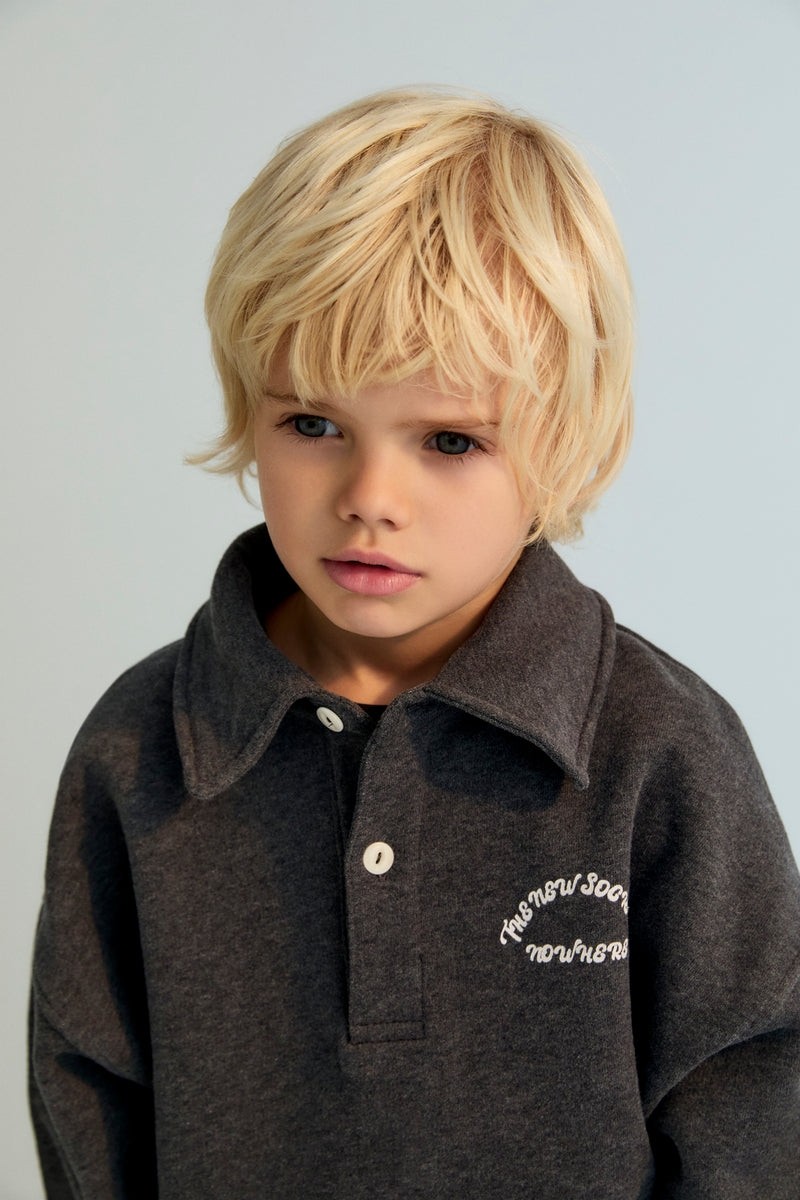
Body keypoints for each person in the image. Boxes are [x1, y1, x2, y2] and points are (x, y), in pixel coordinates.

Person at [29, 87, 800, 1199]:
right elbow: (85, 1105)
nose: (370, 497)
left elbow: (755, 1108)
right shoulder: (140, 750)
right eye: (313, 424)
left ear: (563, 439)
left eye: (448, 440)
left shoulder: (661, 750)